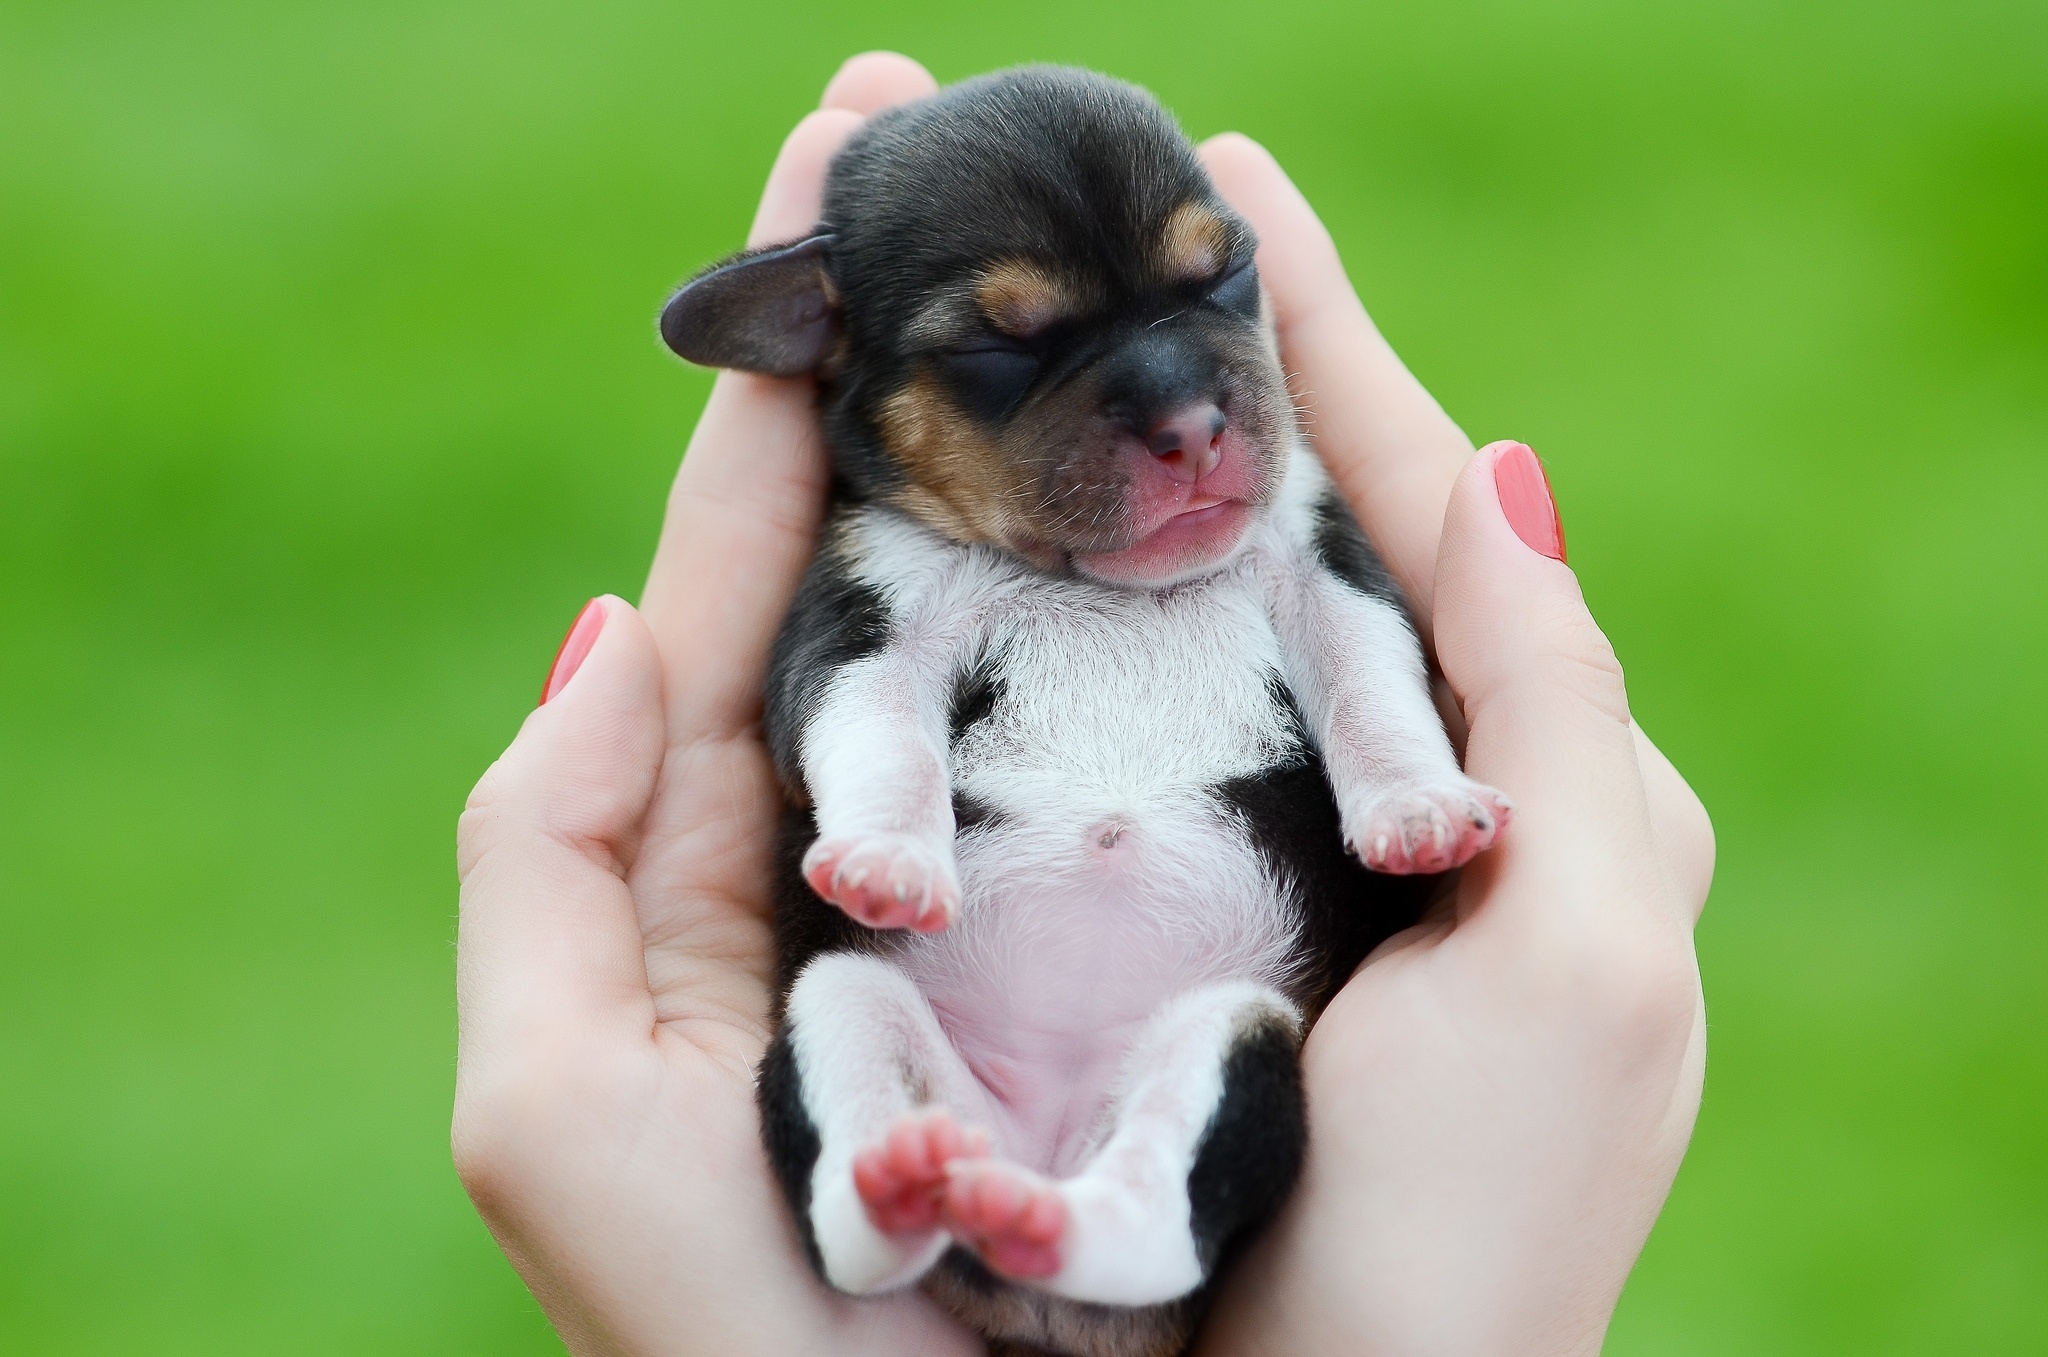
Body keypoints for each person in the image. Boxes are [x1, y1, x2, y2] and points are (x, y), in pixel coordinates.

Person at [450, 52, 1714, 1356]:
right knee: (841, 1009)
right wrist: (889, 809)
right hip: (941, 1037)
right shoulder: (910, 545)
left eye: (1215, 283)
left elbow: (1357, 634)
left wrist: (1402, 777)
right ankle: (868, 1206)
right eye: (1007, 349)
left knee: (1235, 1042)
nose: (1183, 412)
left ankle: (1131, 1225)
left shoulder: (1284, 515)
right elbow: (856, 689)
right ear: (823, 344)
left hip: (1190, 1040)